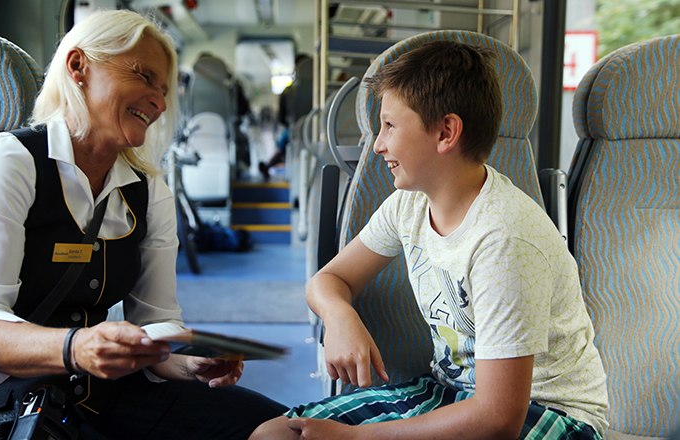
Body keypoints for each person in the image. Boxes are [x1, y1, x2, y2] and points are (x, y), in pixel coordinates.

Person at [0, 9, 286, 439]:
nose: (160, 102)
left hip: (96, 397)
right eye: (145, 76)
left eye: (164, 91)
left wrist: (187, 361)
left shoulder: (148, 190)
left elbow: (156, 322)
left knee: (284, 430)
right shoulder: (4, 162)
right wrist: (76, 347)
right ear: (78, 67)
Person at [250, 41, 609, 440]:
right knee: (277, 435)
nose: (378, 144)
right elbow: (328, 280)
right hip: (453, 392)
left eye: (389, 126)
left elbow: (497, 418)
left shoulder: (505, 238)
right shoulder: (408, 205)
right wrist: (340, 317)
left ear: (445, 132)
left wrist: (353, 438)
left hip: (547, 412)